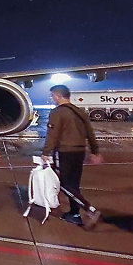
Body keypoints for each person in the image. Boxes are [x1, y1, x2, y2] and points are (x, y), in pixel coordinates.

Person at [42, 84, 101, 226]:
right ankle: (74, 214)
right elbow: (90, 133)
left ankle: (89, 209)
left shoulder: (57, 112)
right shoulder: (80, 111)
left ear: (58, 96)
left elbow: (53, 134)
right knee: (73, 184)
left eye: (52, 96)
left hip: (64, 151)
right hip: (79, 151)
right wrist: (94, 151)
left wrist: (46, 152)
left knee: (63, 184)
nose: (52, 98)